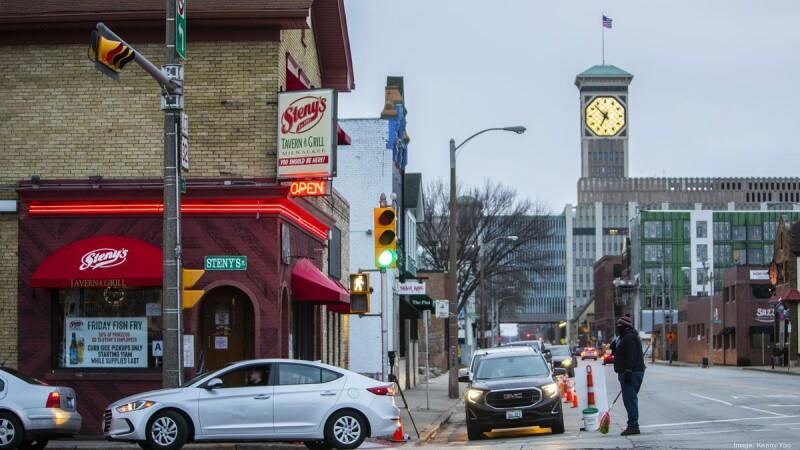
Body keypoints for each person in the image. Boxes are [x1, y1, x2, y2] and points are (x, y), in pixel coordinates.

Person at [611, 314, 645, 436]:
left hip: (630, 372)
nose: (617, 327)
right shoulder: (625, 337)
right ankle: (632, 424)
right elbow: (621, 353)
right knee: (630, 399)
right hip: (630, 372)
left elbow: (631, 356)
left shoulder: (629, 338)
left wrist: (628, 372)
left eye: (619, 325)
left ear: (624, 327)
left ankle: (633, 426)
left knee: (630, 400)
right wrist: (615, 346)